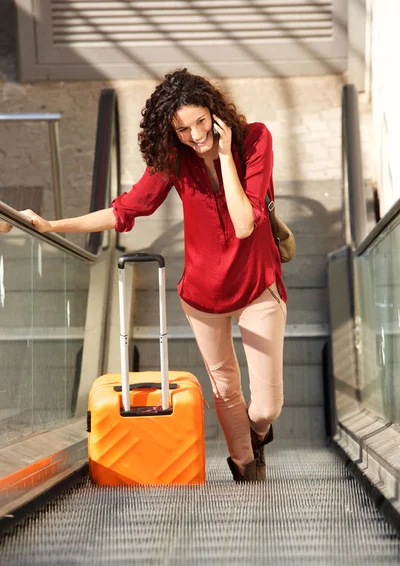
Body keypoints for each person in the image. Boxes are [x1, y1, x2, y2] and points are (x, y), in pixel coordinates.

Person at [0, 68, 287, 482]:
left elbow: (245, 224)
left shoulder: (255, 140)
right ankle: (245, 467)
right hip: (203, 295)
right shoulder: (174, 159)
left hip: (257, 285)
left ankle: (257, 434)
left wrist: (224, 157)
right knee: (224, 389)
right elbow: (124, 211)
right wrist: (50, 226)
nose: (196, 136)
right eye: (183, 129)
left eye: (201, 122)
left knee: (266, 406)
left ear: (215, 112)